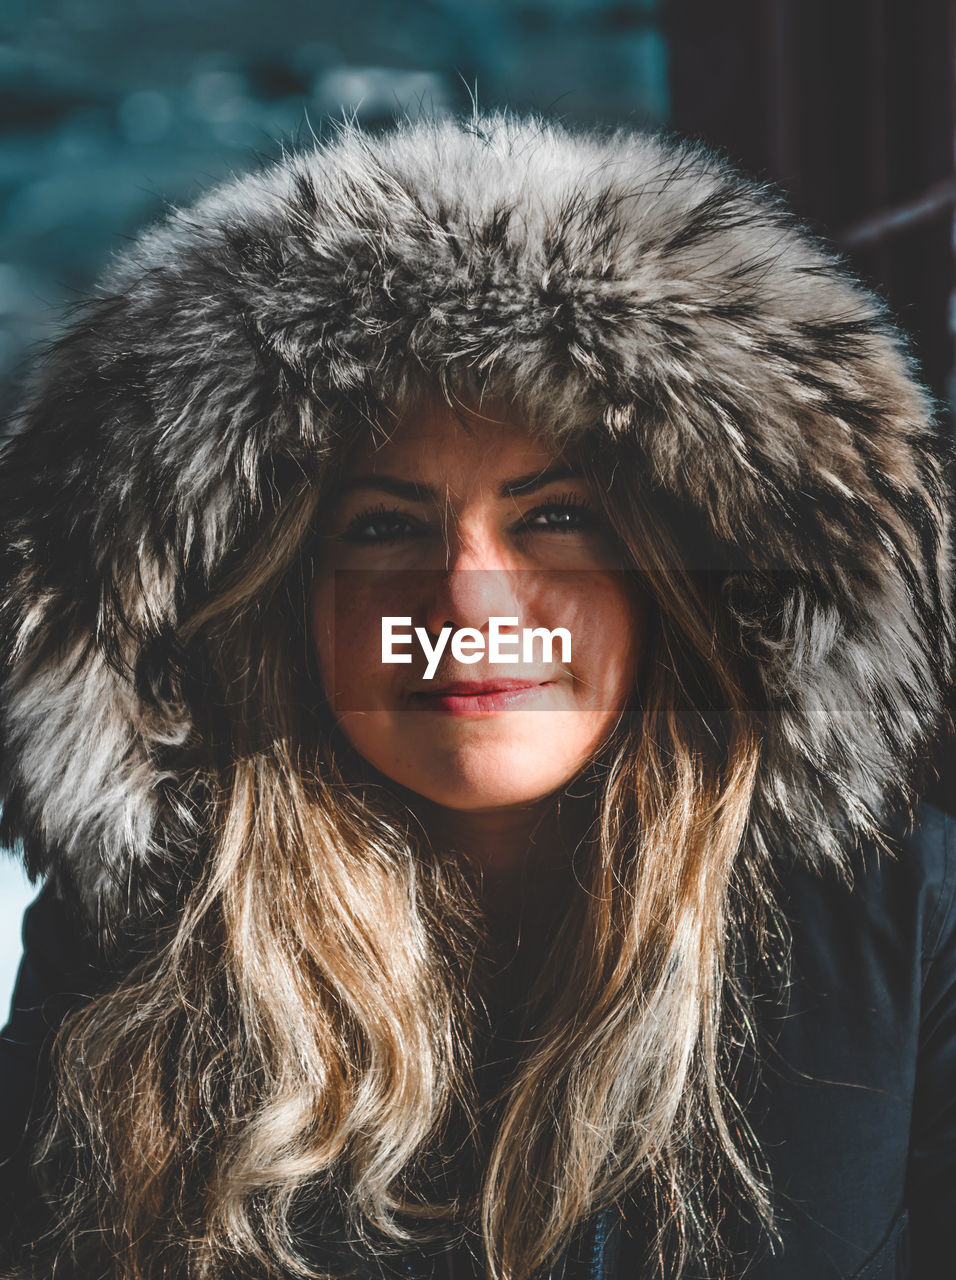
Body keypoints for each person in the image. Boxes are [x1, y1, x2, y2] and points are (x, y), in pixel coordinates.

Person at [0, 111, 953, 1280]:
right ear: (279, 603)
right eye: (384, 527)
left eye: (555, 514)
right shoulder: (125, 958)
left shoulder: (907, 933)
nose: (467, 598)